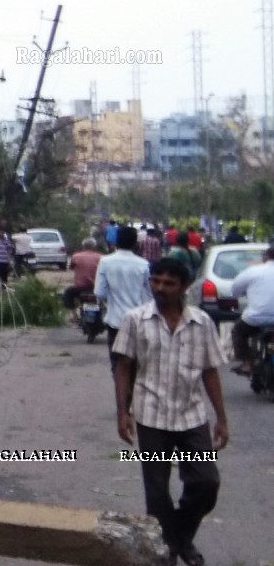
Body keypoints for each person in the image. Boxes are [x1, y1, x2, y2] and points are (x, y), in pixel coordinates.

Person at [110, 256, 228, 566]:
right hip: (151, 415)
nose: (159, 288)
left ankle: (177, 537)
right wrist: (122, 412)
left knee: (206, 482)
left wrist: (221, 419)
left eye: (168, 283)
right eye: (155, 281)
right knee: (157, 491)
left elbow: (210, 372)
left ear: (184, 287)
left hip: (191, 417)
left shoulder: (201, 323)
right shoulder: (135, 320)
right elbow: (124, 367)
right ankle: (169, 551)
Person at [95, 226, 152, 365]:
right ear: (135, 244)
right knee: (138, 365)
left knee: (118, 365)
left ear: (116, 241)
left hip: (115, 321)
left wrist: (112, 300)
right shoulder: (144, 264)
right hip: (139, 321)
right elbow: (149, 294)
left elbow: (99, 292)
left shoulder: (105, 262)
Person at [227, 244, 274, 376]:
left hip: (255, 319)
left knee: (238, 331)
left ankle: (247, 363)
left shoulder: (253, 271)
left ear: (267, 257)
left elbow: (234, 290)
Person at [63, 237, 102, 311]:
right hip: (95, 286)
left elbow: (71, 268)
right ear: (94, 246)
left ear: (83, 246)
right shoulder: (100, 257)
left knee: (67, 293)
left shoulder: (76, 256)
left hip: (80, 287)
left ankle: (74, 315)